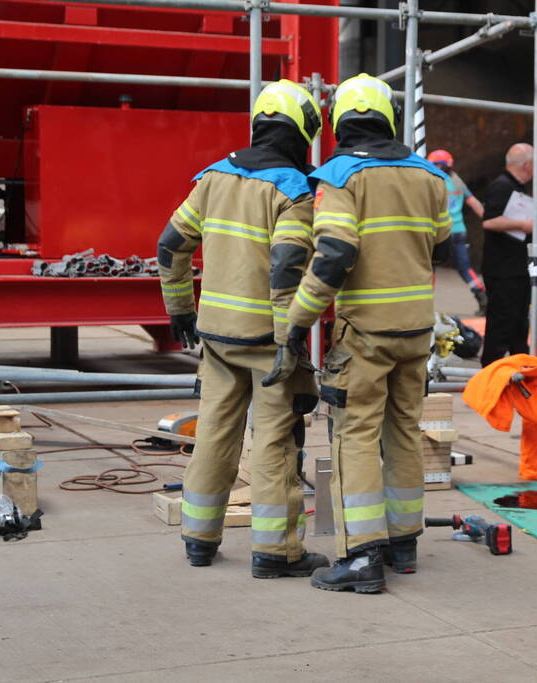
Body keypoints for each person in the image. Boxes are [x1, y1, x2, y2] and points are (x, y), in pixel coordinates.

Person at [263, 73, 451, 594]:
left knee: (356, 437)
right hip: (416, 330)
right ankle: (403, 544)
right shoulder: (431, 175)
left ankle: (362, 557)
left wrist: (296, 320)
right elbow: (443, 241)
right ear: (387, 117)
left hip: (365, 333)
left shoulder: (341, 176)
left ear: (341, 121)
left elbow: (335, 255)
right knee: (404, 432)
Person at [157, 79, 328, 578]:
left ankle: (198, 541)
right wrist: (288, 337)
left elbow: (170, 244)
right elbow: (286, 269)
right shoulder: (293, 191)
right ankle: (277, 553)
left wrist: (180, 310)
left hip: (215, 336)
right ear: (300, 132)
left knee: (213, 435)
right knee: (276, 445)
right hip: (266, 343)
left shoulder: (213, 178)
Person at [480, 142, 534, 367]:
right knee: (501, 323)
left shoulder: (517, 188)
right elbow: (489, 221)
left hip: (516, 267)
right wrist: (522, 224)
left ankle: (519, 364)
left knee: (519, 323)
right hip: (503, 269)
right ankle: (491, 368)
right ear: (527, 165)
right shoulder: (502, 187)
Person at [427, 149, 487, 314]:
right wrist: (487, 220)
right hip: (459, 230)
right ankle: (481, 295)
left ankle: (425, 303)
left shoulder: (432, 180)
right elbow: (474, 203)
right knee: (465, 267)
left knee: (429, 268)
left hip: (438, 231)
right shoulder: (457, 181)